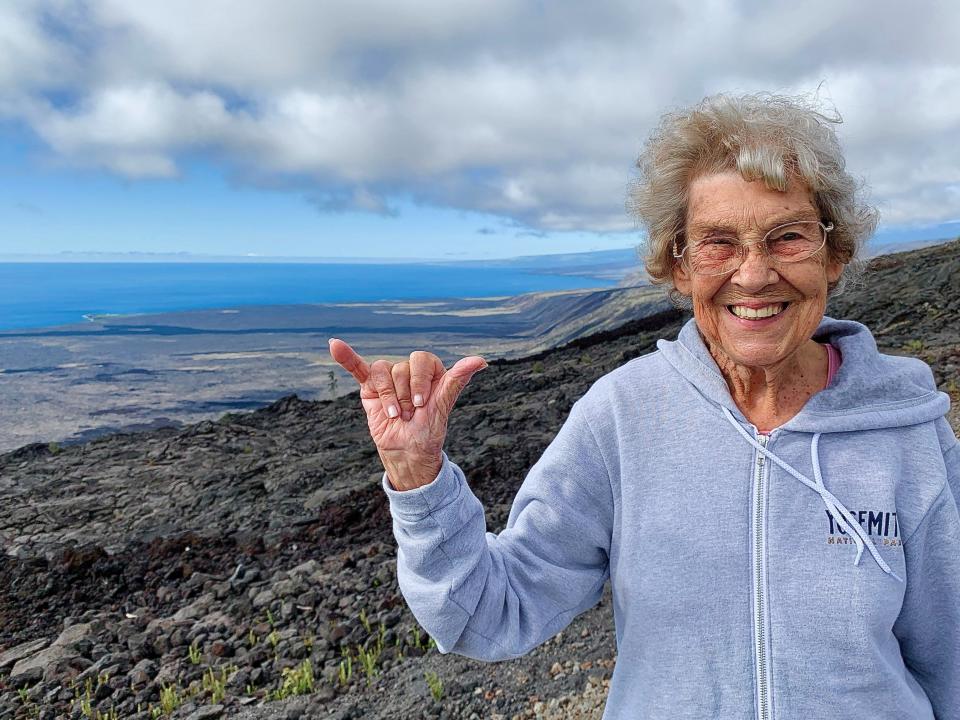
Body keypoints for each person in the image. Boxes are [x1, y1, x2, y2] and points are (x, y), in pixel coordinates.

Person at [328, 93, 960, 719]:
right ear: (677, 266)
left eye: (787, 237)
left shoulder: (908, 433)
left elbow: (951, 659)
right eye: (718, 242)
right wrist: (420, 482)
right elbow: (490, 613)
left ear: (835, 254)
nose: (753, 275)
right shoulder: (623, 417)